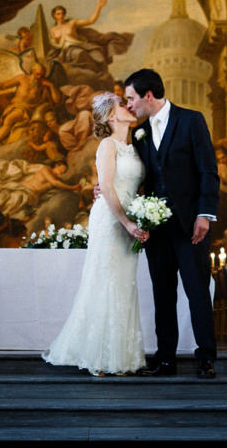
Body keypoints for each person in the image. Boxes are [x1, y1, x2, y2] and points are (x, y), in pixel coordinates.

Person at [43, 92, 150, 376]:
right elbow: (108, 187)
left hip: (129, 218)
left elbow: (134, 185)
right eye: (122, 105)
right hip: (112, 220)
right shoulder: (107, 145)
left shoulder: (135, 146)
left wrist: (141, 214)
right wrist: (127, 222)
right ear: (112, 116)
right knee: (106, 280)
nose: (129, 106)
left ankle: (121, 357)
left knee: (124, 284)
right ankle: (100, 356)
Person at [123, 68, 220, 379]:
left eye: (131, 98)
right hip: (157, 228)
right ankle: (166, 359)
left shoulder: (192, 120)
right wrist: (105, 186)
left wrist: (205, 214)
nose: (129, 105)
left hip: (191, 225)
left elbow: (208, 170)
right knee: (162, 294)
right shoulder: (141, 134)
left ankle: (206, 357)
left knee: (197, 291)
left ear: (148, 95)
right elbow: (135, 175)